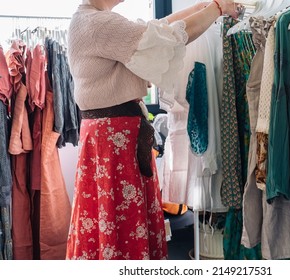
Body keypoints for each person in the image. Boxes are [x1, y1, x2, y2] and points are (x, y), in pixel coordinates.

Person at [65, 0, 239, 260]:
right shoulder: (98, 24)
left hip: (110, 137)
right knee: (119, 218)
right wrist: (216, 8)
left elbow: (157, 28)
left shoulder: (91, 19)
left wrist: (203, 6)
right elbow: (164, 39)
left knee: (112, 217)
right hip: (114, 139)